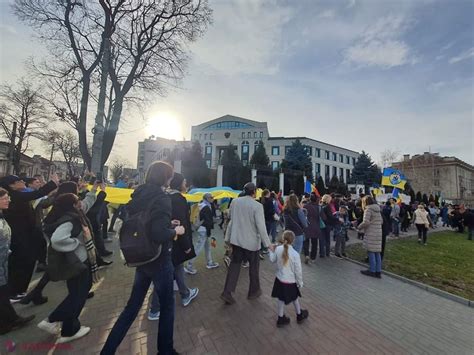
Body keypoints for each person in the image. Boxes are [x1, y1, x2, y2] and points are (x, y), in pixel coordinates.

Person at [101, 161, 184, 355]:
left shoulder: (137, 194)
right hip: (159, 258)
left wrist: (165, 223)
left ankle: (107, 350)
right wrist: (174, 230)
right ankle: (165, 350)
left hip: (140, 256)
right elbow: (157, 233)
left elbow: (143, 223)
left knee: (132, 307)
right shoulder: (162, 198)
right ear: (165, 177)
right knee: (167, 306)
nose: (170, 180)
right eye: (169, 176)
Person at [19, 181, 105, 306]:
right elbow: (86, 204)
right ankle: (73, 301)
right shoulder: (72, 211)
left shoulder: (58, 207)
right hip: (69, 248)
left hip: (57, 248)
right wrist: (96, 190)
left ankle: (35, 293)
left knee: (53, 270)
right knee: (74, 272)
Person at [37, 193, 99, 343]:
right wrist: (76, 244)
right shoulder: (70, 220)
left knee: (77, 293)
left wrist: (95, 190)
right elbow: (57, 240)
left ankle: (67, 327)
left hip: (76, 262)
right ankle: (56, 322)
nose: (80, 203)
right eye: (78, 201)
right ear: (72, 205)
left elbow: (88, 203)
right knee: (78, 295)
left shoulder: (72, 215)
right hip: (78, 262)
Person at [148, 173, 199, 321]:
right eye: (184, 181)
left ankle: (185, 294)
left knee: (176, 268)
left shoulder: (165, 196)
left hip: (167, 238)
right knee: (165, 273)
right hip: (174, 240)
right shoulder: (178, 199)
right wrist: (187, 245)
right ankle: (155, 309)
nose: (185, 184)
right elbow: (181, 222)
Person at [0, 174, 58, 303]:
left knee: (26, 261)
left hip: (26, 234)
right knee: (20, 263)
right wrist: (52, 183)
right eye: (19, 181)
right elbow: (36, 195)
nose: (22, 182)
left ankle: (19, 290)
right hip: (19, 237)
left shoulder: (16, 194)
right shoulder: (14, 195)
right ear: (11, 185)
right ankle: (15, 291)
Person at [221, 182, 271, 305]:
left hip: (237, 241)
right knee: (254, 267)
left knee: (234, 267)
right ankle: (253, 291)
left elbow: (232, 220)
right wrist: (268, 244)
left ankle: (227, 292)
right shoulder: (257, 206)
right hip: (251, 243)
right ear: (254, 192)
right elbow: (261, 226)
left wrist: (228, 238)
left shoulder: (235, 202)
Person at [0, 187, 35, 335]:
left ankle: (10, 319)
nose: (9, 200)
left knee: (2, 293)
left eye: (8, 197)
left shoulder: (2, 216)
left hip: (3, 263)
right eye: (4, 197)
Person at [269, 230, 308, 328]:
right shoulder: (295, 254)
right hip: (290, 281)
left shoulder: (278, 249)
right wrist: (300, 283)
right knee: (294, 297)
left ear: (283, 239)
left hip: (279, 279)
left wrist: (271, 250)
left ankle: (281, 317)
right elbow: (298, 271)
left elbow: (272, 260)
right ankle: (299, 315)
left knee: (281, 298)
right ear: (293, 241)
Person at [184, 193, 218, 275]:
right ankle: (189, 265)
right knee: (198, 248)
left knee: (207, 246)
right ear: (207, 198)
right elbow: (208, 221)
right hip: (204, 229)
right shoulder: (206, 207)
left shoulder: (200, 205)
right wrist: (213, 223)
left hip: (201, 228)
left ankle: (209, 262)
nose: (212, 198)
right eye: (211, 197)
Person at [357, 196, 383, 278]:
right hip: (378, 232)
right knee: (377, 252)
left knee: (371, 252)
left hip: (371, 233)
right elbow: (381, 221)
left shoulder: (368, 209)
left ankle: (372, 270)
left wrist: (359, 227)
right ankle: (378, 271)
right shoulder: (378, 210)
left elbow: (366, 222)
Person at [302, 193, 321, 264]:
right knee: (315, 243)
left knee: (306, 241)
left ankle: (307, 255)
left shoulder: (305, 206)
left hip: (307, 226)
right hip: (316, 227)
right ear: (316, 199)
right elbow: (323, 217)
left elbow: (302, 216)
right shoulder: (319, 207)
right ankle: (313, 258)